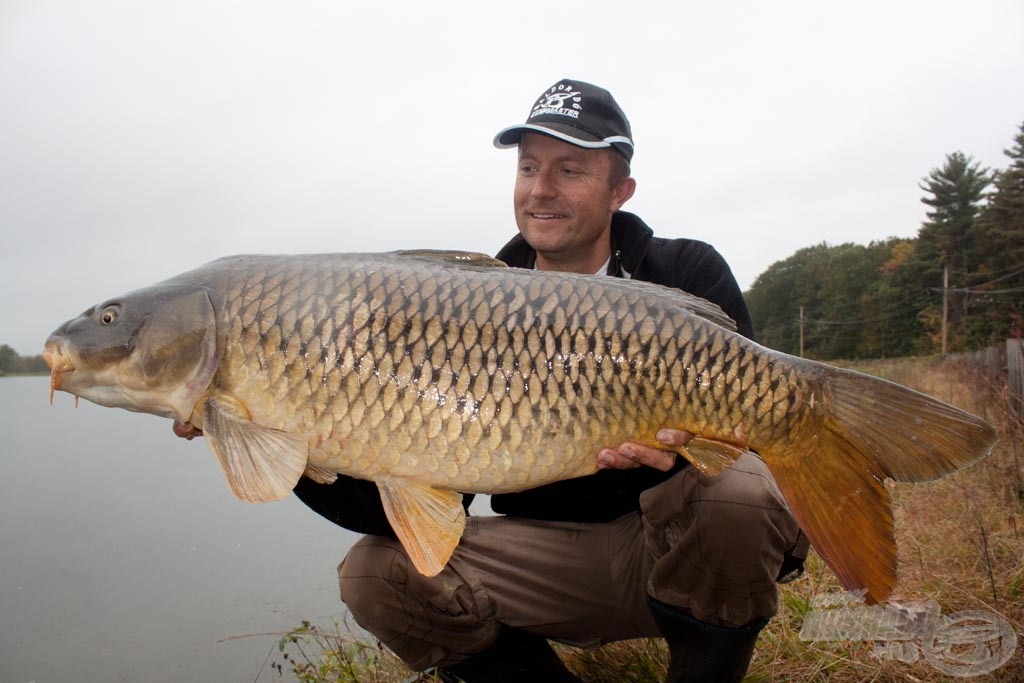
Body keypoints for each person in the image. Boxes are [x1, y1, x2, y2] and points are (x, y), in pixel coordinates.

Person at [292, 79, 808, 683]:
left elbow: (748, 448)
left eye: (569, 170)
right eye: (529, 167)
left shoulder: (682, 272)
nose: (541, 189)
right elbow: (422, 499)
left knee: (738, 493)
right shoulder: (470, 305)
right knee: (374, 575)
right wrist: (298, 442)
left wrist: (673, 460)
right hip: (549, 563)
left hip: (674, 548)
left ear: (620, 191)